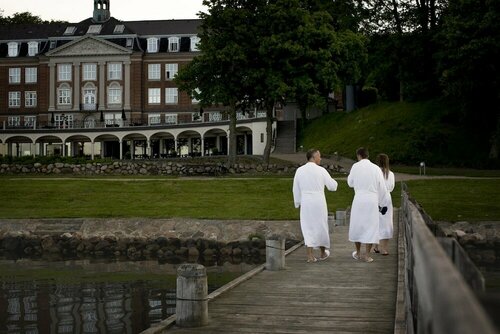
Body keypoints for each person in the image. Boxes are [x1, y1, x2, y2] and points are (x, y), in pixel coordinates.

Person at [293, 149, 338, 263]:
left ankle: (310, 255)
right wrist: (335, 182)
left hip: (306, 201)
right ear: (313, 157)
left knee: (308, 226)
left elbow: (295, 188)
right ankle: (323, 253)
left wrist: (297, 202)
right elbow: (332, 187)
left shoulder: (300, 170)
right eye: (319, 156)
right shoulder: (321, 170)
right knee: (321, 225)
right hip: (318, 201)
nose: (321, 158)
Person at [347, 147, 387, 263]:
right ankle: (367, 255)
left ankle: (358, 252)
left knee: (357, 225)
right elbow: (383, 188)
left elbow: (350, 183)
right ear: (367, 155)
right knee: (371, 226)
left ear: (358, 155)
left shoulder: (355, 166)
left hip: (359, 198)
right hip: (372, 200)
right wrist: (382, 203)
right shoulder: (375, 168)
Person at [373, 153, 395, 255]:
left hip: (376, 197)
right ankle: (384, 248)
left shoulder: (374, 173)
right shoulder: (390, 174)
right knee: (386, 223)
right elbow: (391, 187)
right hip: (386, 198)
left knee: (376, 221)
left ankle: (376, 246)